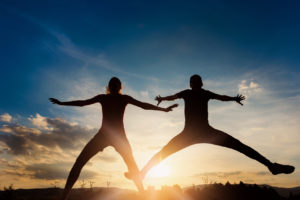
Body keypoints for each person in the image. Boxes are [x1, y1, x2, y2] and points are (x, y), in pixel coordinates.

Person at [126, 74, 295, 181]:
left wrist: (233, 99)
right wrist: (163, 98)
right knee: (164, 152)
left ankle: (271, 166)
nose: (195, 83)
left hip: (204, 132)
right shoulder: (190, 93)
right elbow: (174, 96)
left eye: (196, 81)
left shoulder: (201, 93)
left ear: (198, 83)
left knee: (240, 146)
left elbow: (220, 97)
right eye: (194, 81)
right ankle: (141, 174)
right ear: (193, 84)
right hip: (194, 133)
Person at [49, 77, 177, 200]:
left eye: (116, 84)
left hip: (118, 138)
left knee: (132, 166)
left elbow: (143, 105)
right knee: (79, 162)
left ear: (120, 87)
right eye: (112, 84)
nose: (114, 86)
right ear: (109, 87)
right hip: (103, 136)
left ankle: (143, 195)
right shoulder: (103, 98)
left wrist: (163, 110)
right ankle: (64, 196)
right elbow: (82, 103)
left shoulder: (123, 98)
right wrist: (62, 103)